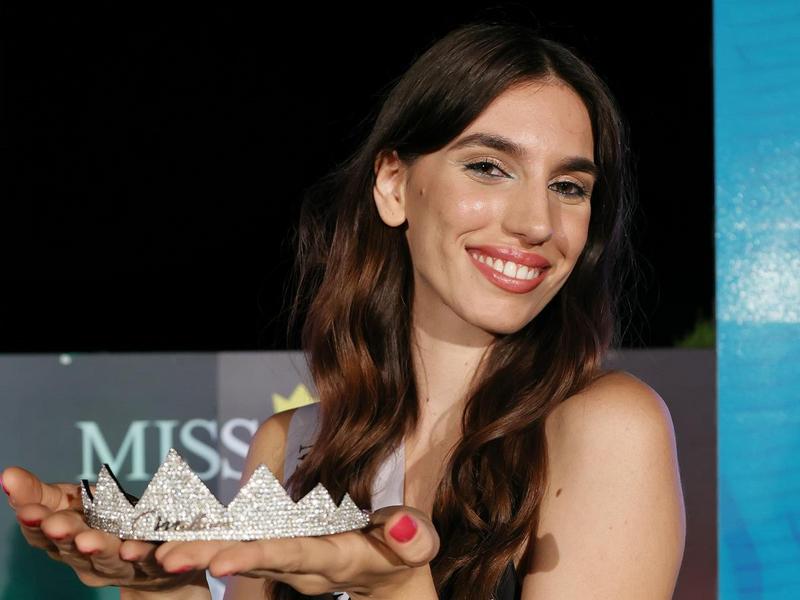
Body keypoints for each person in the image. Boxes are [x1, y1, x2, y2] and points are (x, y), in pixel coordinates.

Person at [1, 19, 686, 600]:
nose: (537, 221)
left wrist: (396, 587)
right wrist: (164, 586)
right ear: (393, 185)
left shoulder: (608, 427)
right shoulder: (293, 445)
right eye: (488, 167)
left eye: (569, 186)